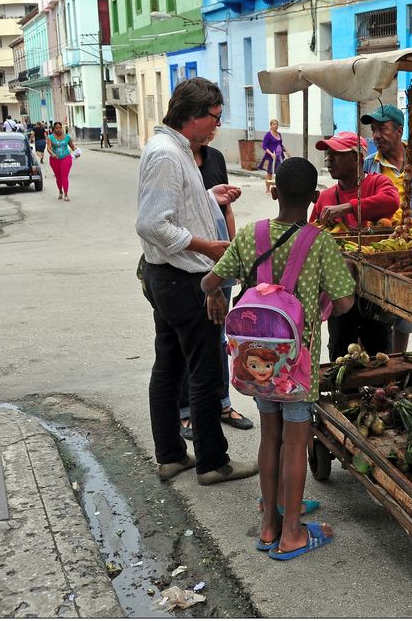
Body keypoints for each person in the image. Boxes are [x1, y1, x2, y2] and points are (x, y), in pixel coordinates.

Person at [201, 156, 355, 560]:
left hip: (256, 363)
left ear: (275, 191)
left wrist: (214, 296)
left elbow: (209, 279)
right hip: (297, 367)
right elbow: (344, 302)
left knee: (270, 438)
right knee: (295, 441)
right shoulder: (320, 241)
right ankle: (291, 534)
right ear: (314, 197)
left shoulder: (252, 233)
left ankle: (269, 523)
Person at [135, 76, 258, 486]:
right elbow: (153, 224)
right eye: (215, 118)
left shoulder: (177, 150)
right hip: (179, 280)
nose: (217, 126)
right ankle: (212, 462)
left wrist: (210, 198)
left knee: (169, 365)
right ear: (192, 115)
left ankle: (171, 455)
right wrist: (208, 248)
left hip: (168, 278)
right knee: (204, 370)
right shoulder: (169, 154)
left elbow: (175, 206)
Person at [176, 128, 253, 440]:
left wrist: (232, 253)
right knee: (190, 340)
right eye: (211, 117)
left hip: (219, 261)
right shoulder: (175, 161)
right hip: (188, 265)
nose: (214, 128)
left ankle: (223, 403)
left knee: (221, 337)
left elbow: (225, 210)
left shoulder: (215, 159)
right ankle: (185, 411)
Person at [360, 103, 412, 353]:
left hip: (410, 248)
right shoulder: (367, 166)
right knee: (373, 314)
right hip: (377, 250)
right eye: (373, 130)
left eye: (382, 129)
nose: (376, 135)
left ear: (398, 130)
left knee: (405, 316)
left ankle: (397, 361)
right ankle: (372, 364)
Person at [312, 131, 400, 359]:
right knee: (340, 351)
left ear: (357, 158)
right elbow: (311, 235)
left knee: (379, 352)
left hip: (374, 291)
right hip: (339, 290)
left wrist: (349, 207)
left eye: (336, 154)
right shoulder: (326, 197)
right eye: (327, 155)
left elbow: (392, 201)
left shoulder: (377, 182)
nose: (329, 160)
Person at [48, 121, 79, 201]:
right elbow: (48, 148)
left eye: (60, 128)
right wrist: (52, 153)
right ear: (54, 129)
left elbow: (73, 147)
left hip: (66, 158)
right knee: (58, 177)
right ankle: (60, 191)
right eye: (56, 128)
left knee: (64, 176)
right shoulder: (50, 137)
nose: (58, 129)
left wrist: (77, 152)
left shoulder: (67, 137)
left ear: (62, 128)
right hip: (54, 159)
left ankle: (66, 194)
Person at [258, 119, 288, 194]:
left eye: (277, 124)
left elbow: (280, 144)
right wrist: (271, 154)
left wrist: (285, 150)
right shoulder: (268, 135)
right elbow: (264, 146)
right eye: (274, 124)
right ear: (271, 125)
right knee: (269, 173)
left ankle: (278, 188)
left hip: (279, 157)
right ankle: (268, 189)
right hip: (270, 157)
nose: (276, 126)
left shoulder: (279, 134)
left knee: (279, 173)